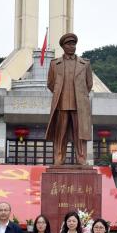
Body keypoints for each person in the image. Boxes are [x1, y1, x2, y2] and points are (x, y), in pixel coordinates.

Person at [45, 33, 94, 165]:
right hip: (62, 104)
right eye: (69, 44)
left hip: (79, 105)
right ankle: (59, 157)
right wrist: (60, 94)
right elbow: (50, 83)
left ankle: (81, 157)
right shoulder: (55, 64)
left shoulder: (85, 64)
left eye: (74, 44)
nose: (72, 46)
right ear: (63, 46)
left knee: (80, 133)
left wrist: (81, 95)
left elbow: (89, 84)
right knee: (60, 133)